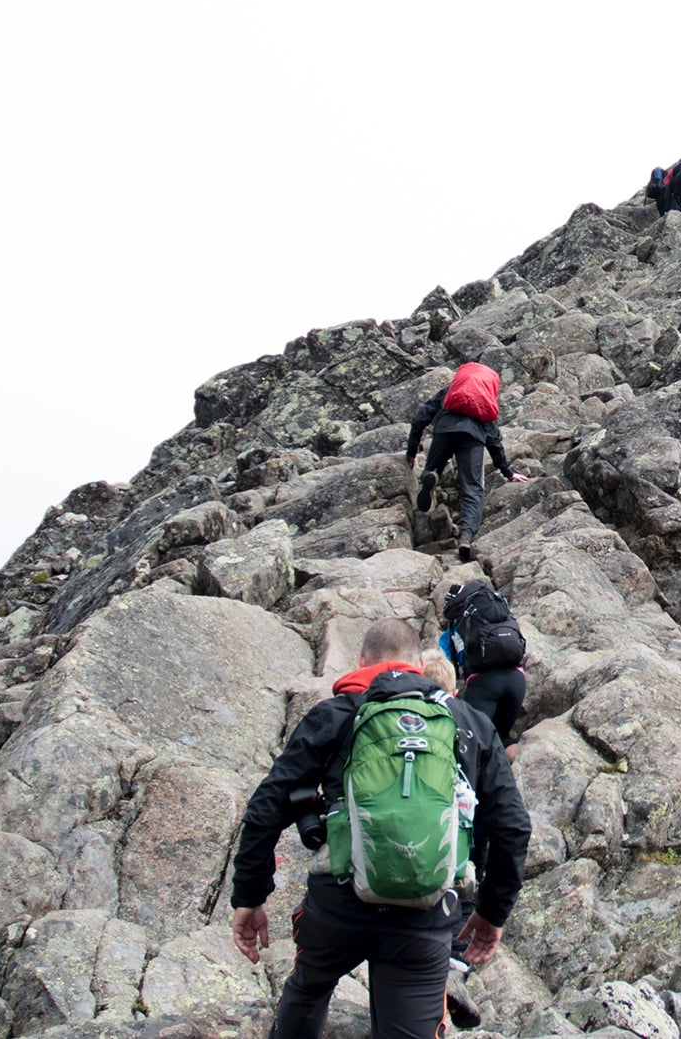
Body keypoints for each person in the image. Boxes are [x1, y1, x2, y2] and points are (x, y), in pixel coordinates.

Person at [231, 617, 531, 1039]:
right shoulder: (467, 722)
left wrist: (249, 896)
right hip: (424, 914)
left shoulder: (337, 714)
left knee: (310, 987)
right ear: (418, 664)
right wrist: (490, 913)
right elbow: (512, 827)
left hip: (338, 905)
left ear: (360, 661)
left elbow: (266, 807)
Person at [406, 364, 531, 561]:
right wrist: (507, 472)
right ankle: (466, 536)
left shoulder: (450, 393)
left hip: (444, 430)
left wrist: (412, 451)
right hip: (472, 439)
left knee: (432, 467)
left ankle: (431, 476)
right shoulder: (483, 402)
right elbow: (494, 440)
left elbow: (420, 418)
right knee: (472, 489)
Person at [439, 579, 527, 753]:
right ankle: (521, 770)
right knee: (502, 737)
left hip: (484, 683)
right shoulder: (501, 615)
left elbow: (442, 671)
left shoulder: (453, 631)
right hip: (517, 679)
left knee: (473, 741)